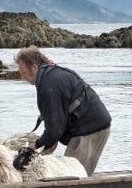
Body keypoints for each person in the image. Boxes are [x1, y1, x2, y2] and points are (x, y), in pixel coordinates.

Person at [15, 46, 111, 176]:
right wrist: (46, 142)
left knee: (71, 178)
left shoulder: (48, 86)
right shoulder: (55, 73)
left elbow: (54, 129)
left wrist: (35, 146)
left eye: (23, 72)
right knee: (82, 175)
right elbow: (57, 122)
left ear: (35, 67)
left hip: (87, 131)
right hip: (99, 126)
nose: (22, 77)